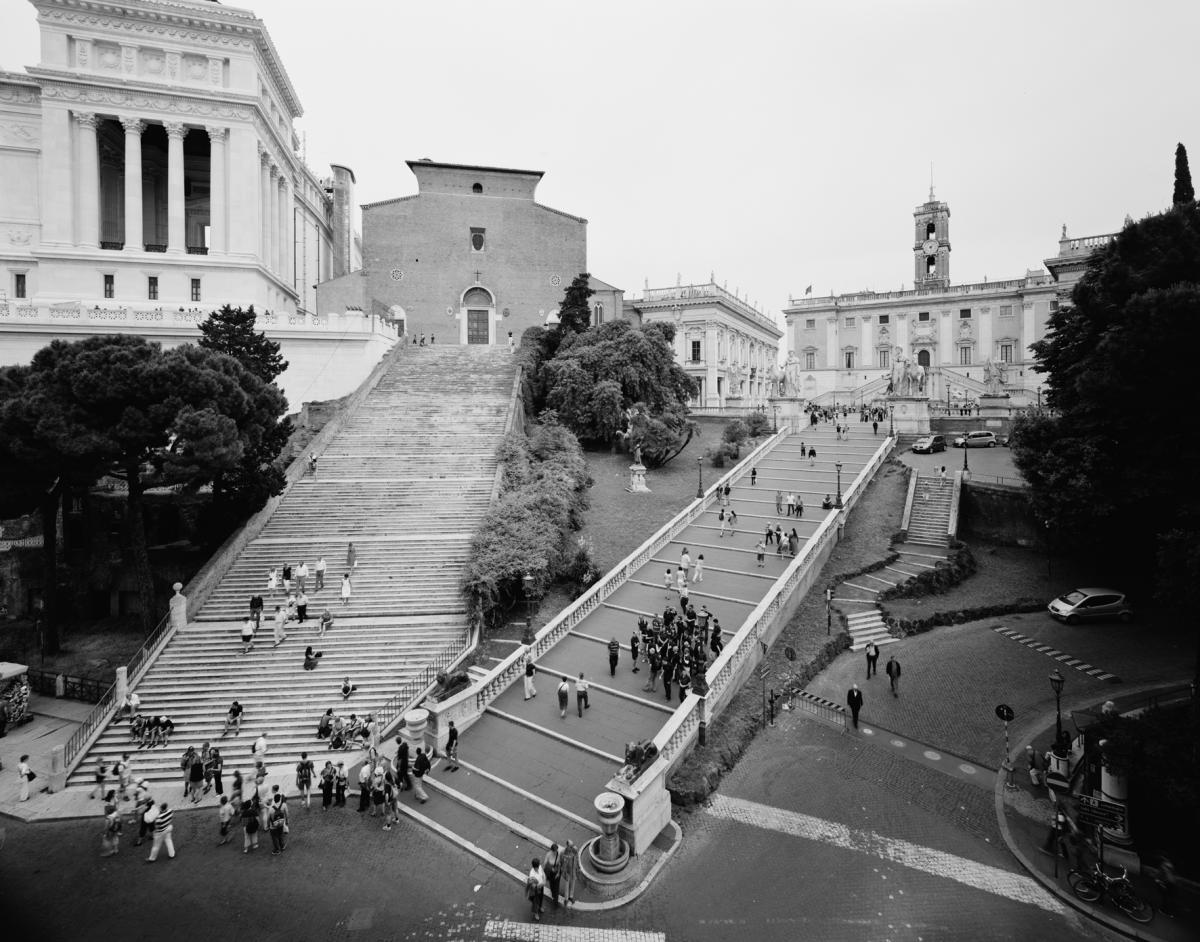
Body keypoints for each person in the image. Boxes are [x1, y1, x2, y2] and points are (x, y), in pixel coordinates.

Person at [559, 839, 580, 908]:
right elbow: (561, 862)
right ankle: (566, 899)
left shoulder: (574, 850)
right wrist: (563, 871)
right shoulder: (563, 852)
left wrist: (578, 867)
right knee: (567, 885)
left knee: (573, 883)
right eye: (570, 846)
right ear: (567, 845)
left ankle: (571, 896)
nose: (572, 847)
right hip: (567, 872)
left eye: (572, 846)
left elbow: (577, 858)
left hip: (573, 870)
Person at [543, 842, 562, 907]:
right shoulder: (548, 855)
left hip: (556, 873)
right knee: (551, 885)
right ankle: (553, 895)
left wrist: (558, 873)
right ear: (552, 850)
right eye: (555, 851)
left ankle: (555, 902)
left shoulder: (558, 854)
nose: (556, 852)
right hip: (550, 873)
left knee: (556, 887)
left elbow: (559, 864)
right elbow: (545, 864)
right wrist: (550, 868)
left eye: (557, 850)